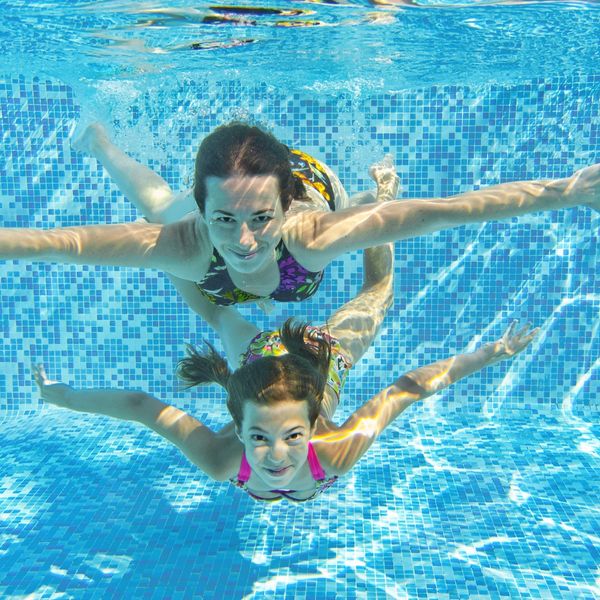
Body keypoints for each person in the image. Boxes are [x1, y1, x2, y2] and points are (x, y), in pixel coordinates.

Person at [32, 230, 538, 502]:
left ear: (315, 422)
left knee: (374, 294)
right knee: (216, 310)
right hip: (276, 358)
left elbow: (408, 388)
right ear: (238, 425)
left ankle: (380, 208)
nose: (276, 456)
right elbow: (143, 407)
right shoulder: (232, 455)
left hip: (315, 359)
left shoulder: (277, 454)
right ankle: (174, 239)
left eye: (294, 436)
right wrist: (57, 397)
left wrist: (495, 352)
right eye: (259, 438)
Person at [2, 121, 598, 312]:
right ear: (204, 209)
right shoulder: (184, 241)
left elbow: (445, 212)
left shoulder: (307, 233)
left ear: (282, 207)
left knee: (372, 214)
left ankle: (371, 193)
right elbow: (59, 244)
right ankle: (102, 142)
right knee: (158, 207)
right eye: (223, 220)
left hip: (311, 182)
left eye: (260, 219)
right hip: (225, 201)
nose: (243, 241)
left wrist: (569, 192)